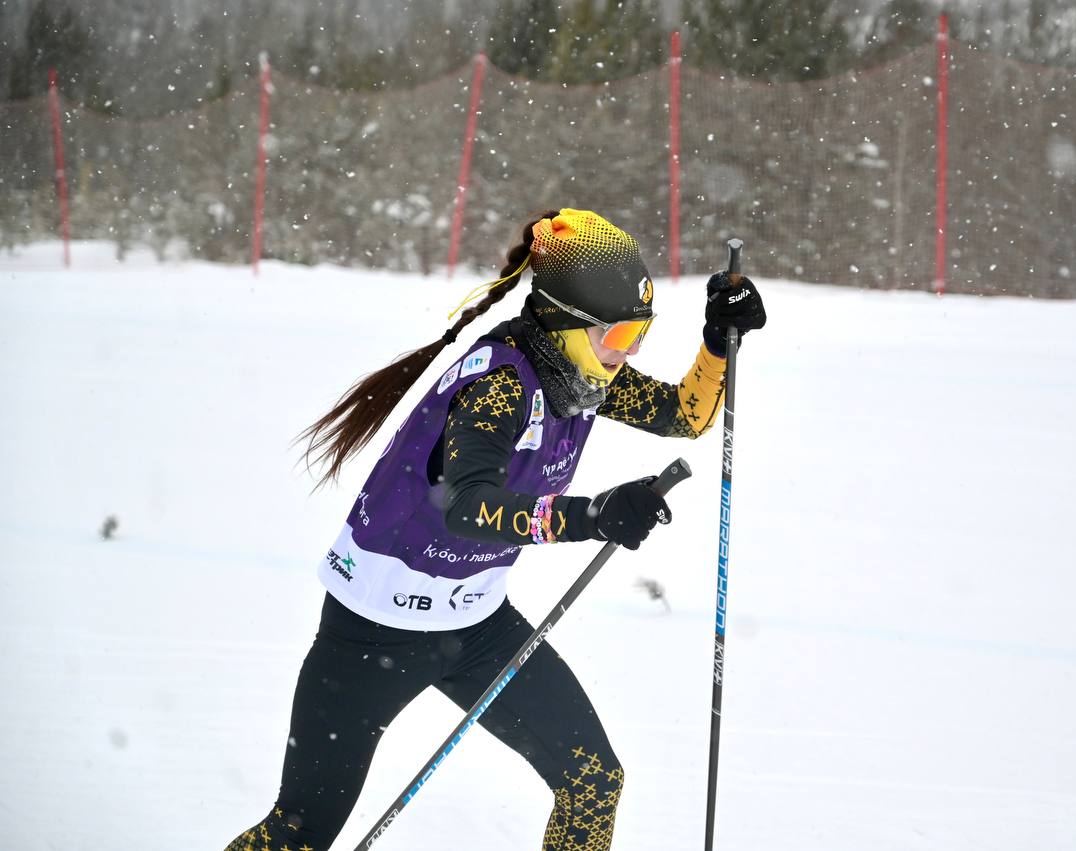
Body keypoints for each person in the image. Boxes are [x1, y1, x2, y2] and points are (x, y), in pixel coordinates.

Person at [223, 208, 767, 851]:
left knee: (593, 783)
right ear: (565, 324)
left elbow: (685, 415)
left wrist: (717, 342)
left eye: (638, 337)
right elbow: (469, 506)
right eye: (616, 337)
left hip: (475, 627)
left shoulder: (583, 377)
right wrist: (592, 516)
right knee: (300, 832)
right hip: (371, 634)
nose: (625, 356)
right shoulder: (500, 384)